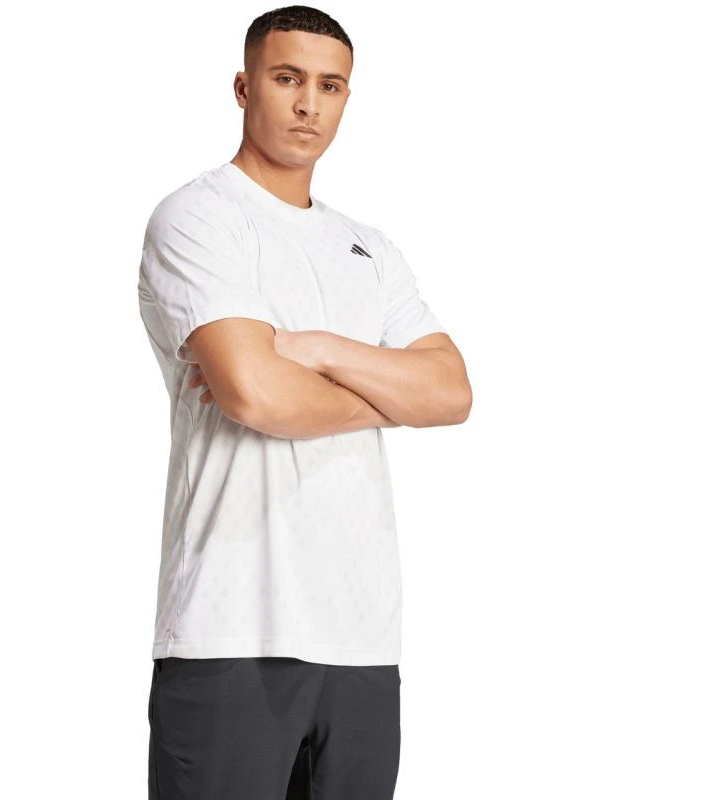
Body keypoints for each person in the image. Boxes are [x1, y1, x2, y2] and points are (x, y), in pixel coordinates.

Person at [137, 5, 472, 798]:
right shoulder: (199, 217)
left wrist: (318, 350)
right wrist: (390, 394)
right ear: (244, 86)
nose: (308, 104)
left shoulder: (370, 249)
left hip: (363, 640)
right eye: (288, 78)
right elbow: (255, 394)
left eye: (330, 86)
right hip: (230, 632)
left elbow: (451, 391)